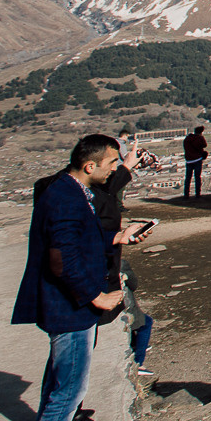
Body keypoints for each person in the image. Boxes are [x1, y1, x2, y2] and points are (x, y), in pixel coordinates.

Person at [12, 134, 131, 421]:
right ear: (90, 165)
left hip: (67, 306)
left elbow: (80, 239)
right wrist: (97, 297)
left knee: (58, 384)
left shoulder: (70, 190)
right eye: (112, 163)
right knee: (68, 393)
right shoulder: (66, 198)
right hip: (69, 309)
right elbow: (62, 259)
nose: (115, 169)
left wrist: (117, 237)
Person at [95, 133, 156, 377]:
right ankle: (137, 363)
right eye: (113, 163)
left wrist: (127, 166)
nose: (115, 168)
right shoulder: (78, 198)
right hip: (96, 292)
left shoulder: (84, 194)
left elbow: (106, 189)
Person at [181, 125, 207, 200]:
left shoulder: (187, 139)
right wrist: (201, 137)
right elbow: (204, 145)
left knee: (188, 178)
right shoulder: (199, 138)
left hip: (189, 160)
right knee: (197, 177)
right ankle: (197, 194)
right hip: (197, 159)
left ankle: (186, 195)